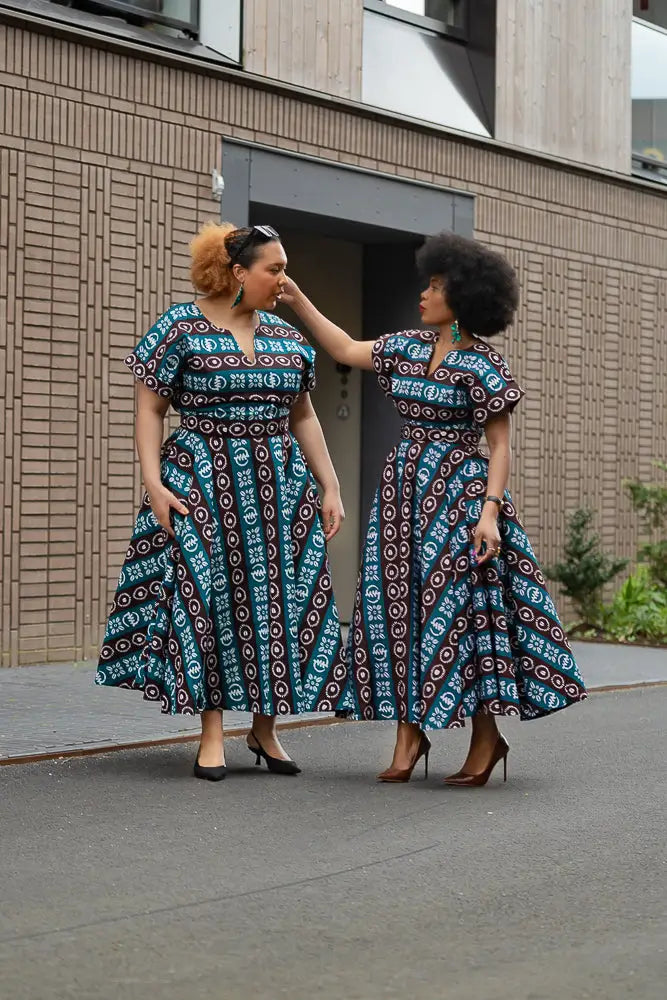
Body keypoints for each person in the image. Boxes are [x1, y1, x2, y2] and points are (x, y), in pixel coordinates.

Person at [282, 231, 587, 786]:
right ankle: (408, 736)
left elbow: (500, 447)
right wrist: (298, 299)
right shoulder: (406, 346)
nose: (424, 293)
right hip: (402, 499)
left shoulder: (483, 366)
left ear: (464, 297)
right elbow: (345, 349)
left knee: (464, 614)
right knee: (396, 608)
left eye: (437, 286)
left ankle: (486, 738)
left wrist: (490, 512)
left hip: (460, 499)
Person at [96, 222, 351, 781]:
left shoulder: (285, 336)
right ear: (237, 272)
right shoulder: (179, 327)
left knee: (277, 603)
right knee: (207, 599)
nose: (284, 279)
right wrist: (153, 483)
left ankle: (265, 729)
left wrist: (330, 485)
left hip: (279, 488)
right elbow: (149, 411)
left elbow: (304, 415)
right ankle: (211, 733)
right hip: (201, 480)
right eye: (274, 269)